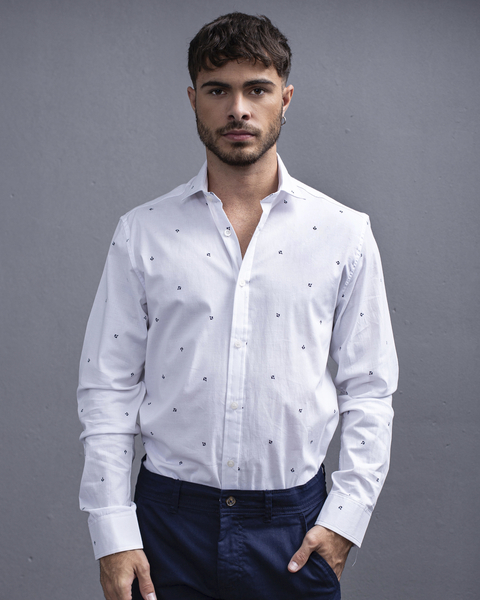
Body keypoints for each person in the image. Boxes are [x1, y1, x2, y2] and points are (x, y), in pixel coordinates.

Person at [78, 12, 398, 600]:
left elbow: (370, 389)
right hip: (166, 524)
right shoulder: (142, 232)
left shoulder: (344, 233)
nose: (238, 109)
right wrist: (112, 532)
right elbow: (108, 387)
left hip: (293, 528)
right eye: (218, 90)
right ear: (193, 100)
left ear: (285, 99)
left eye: (257, 89)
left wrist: (344, 521)